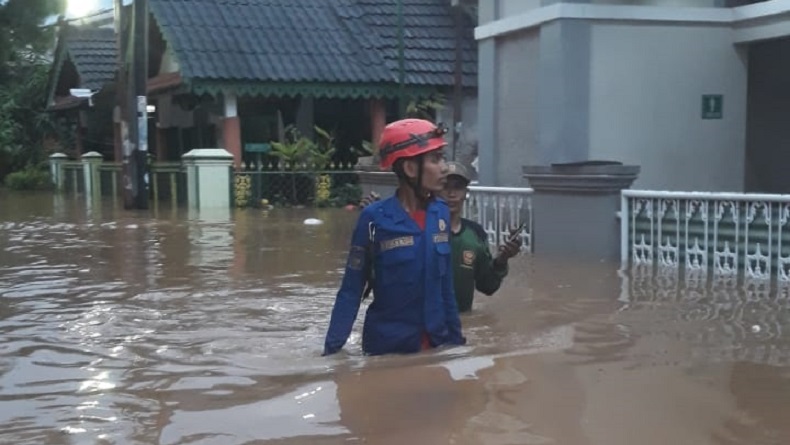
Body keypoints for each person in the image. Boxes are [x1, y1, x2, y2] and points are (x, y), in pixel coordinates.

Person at [323, 118, 466, 356]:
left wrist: (456, 343)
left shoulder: (441, 213)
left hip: (436, 346)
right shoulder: (374, 220)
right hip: (388, 350)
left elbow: (446, 288)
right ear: (410, 169)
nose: (444, 167)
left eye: (442, 157)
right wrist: (332, 352)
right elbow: (351, 290)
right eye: (435, 159)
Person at [359, 161, 521, 312]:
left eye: (457, 187)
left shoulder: (475, 234)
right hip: (419, 325)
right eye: (445, 187)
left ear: (466, 193)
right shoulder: (414, 228)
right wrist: (376, 225)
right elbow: (383, 273)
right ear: (433, 192)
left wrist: (502, 259)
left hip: (457, 326)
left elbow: (487, 286)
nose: (451, 194)